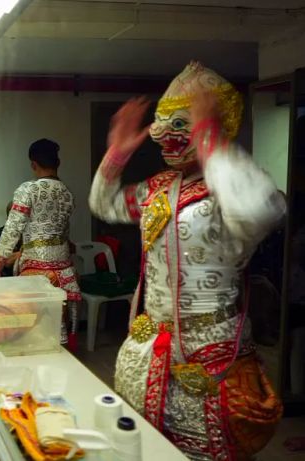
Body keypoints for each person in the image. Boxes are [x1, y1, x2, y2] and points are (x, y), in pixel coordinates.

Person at [89, 61, 283, 460]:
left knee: (207, 449)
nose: (163, 136)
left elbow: (257, 214)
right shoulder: (158, 188)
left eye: (181, 125)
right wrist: (116, 156)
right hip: (150, 346)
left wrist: (211, 143)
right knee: (148, 445)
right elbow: (104, 203)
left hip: (211, 348)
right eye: (161, 125)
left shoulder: (233, 184)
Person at [0, 138, 81, 350]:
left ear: (33, 164)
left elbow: (12, 230)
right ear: (58, 163)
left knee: (32, 331)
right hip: (64, 270)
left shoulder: (28, 189)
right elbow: (64, 233)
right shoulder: (67, 193)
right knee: (58, 327)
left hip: (36, 268)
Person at [0, 201, 21, 277]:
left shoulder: (31, 235)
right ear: (7, 219)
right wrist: (26, 253)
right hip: (7, 278)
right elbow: (6, 261)